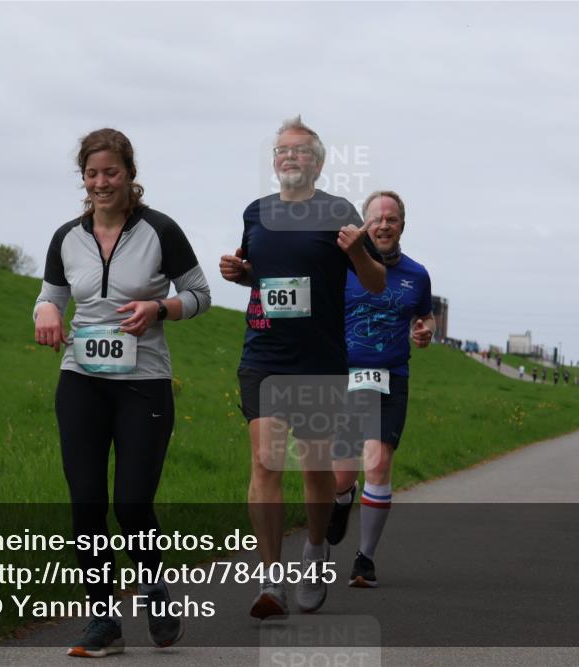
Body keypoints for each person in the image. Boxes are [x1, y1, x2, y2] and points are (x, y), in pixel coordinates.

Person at [34, 128, 211, 657]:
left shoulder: (161, 230)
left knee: (132, 503)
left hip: (144, 384)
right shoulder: (67, 236)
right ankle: (103, 622)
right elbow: (50, 297)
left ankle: (156, 594)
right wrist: (44, 312)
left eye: (111, 172)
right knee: (86, 504)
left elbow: (199, 295)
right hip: (81, 381)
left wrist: (159, 309)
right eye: (92, 174)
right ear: (83, 179)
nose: (101, 182)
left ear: (130, 175)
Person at [219, 116, 385, 618]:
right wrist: (241, 274)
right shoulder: (256, 213)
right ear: (274, 162)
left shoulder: (339, 212)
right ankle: (271, 580)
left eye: (298, 152)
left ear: (317, 162)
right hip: (264, 354)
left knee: (314, 467)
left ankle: (315, 550)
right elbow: (264, 278)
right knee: (266, 462)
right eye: (280, 152)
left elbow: (375, 282)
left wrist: (357, 250)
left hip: (319, 359)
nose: (288, 158)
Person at [324, 190, 434, 588]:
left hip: (391, 376)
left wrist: (425, 330)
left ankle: (364, 559)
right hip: (344, 375)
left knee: (379, 462)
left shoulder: (417, 275)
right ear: (363, 224)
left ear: (402, 225)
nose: (384, 224)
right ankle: (341, 498)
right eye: (377, 218)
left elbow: (425, 315)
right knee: (341, 474)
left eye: (392, 218)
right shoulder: (342, 267)